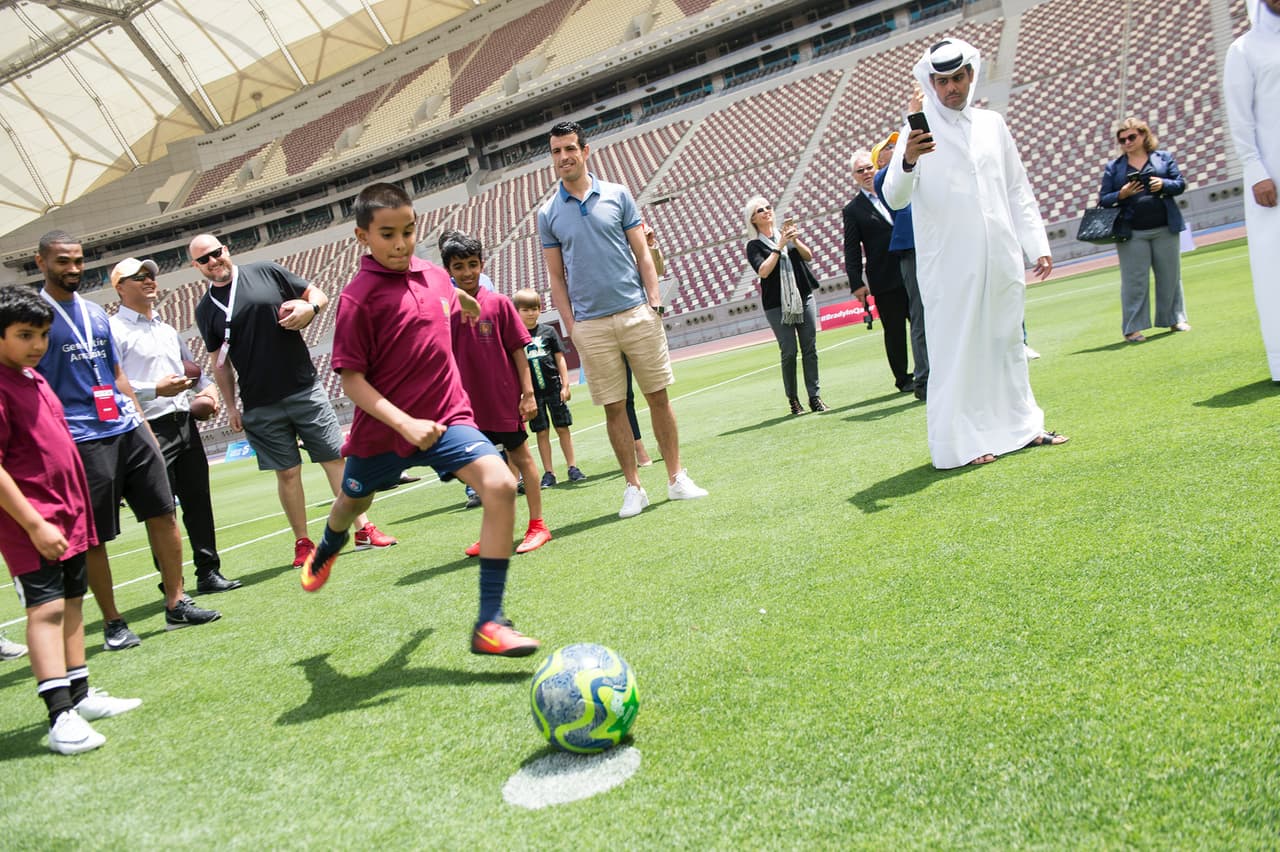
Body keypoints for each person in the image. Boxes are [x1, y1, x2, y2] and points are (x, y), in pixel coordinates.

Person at [299, 183, 540, 657]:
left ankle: (489, 622)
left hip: (450, 417)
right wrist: (404, 424)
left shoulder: (433, 275)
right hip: (384, 433)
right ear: (361, 236)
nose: (401, 242)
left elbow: (453, 299)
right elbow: (352, 382)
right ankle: (327, 546)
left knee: (498, 484)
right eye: (387, 234)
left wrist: (467, 303)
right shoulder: (357, 299)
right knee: (352, 502)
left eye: (408, 231)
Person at [882, 38, 1067, 469]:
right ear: (931, 83)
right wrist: (907, 159)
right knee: (957, 351)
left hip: (1000, 256)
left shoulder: (992, 124)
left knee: (1006, 343)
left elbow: (1017, 187)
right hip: (949, 264)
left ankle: (1023, 428)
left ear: (971, 75)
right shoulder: (916, 130)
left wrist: (1035, 243)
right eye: (942, 81)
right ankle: (959, 444)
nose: (952, 88)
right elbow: (895, 197)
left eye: (958, 78)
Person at [35, 232, 220, 649]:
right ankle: (114, 622)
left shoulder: (95, 315)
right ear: (41, 261)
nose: (73, 269)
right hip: (79, 435)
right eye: (63, 261)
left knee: (164, 512)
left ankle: (176, 603)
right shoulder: (36, 315)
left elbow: (117, 376)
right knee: (96, 535)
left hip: (126, 425)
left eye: (79, 261)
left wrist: (140, 422)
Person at [189, 233, 396, 568]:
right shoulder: (205, 310)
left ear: (226, 249)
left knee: (334, 461)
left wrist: (309, 308)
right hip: (259, 402)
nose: (213, 262)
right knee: (287, 474)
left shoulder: (265, 271)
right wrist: (230, 406)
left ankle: (363, 528)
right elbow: (219, 362)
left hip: (304, 387)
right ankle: (302, 542)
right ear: (195, 266)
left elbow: (318, 294)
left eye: (215, 253)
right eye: (204, 259)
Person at [539, 120, 708, 518]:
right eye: (556, 152)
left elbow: (642, 252)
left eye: (569, 149)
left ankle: (676, 477)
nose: (563, 157)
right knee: (614, 408)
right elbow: (555, 277)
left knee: (658, 398)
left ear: (585, 151)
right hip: (591, 326)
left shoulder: (618, 195)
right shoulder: (548, 214)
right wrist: (571, 327)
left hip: (636, 312)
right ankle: (633, 487)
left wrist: (654, 302)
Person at [0, 285, 142, 754]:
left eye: (42, 334)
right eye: (25, 335)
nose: (38, 345)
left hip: (70, 515)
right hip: (32, 523)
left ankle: (80, 695)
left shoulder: (35, 378)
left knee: (74, 601)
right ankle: (59, 713)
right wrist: (35, 523)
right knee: (47, 610)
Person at [108, 258, 242, 595]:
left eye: (151, 275)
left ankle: (209, 571)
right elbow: (111, 384)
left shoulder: (166, 329)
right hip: (147, 428)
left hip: (183, 423)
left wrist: (208, 391)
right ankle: (174, 585)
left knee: (198, 502)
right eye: (139, 277)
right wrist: (155, 389)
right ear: (120, 287)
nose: (149, 280)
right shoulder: (113, 330)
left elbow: (194, 372)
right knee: (160, 511)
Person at [443, 233, 552, 556]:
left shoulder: (500, 304)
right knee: (482, 469)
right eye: (459, 266)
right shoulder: (444, 309)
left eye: (473, 265)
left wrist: (528, 393)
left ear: (482, 265)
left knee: (521, 457)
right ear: (448, 269)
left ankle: (537, 526)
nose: (467, 273)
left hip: (503, 399)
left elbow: (519, 351)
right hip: (466, 408)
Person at [1097, 117, 1191, 343]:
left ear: (1143, 135)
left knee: (1170, 277)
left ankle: (1174, 319)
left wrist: (1163, 184)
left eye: (1131, 137)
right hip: (1132, 233)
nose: (1127, 142)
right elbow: (1104, 199)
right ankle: (1132, 328)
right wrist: (1122, 194)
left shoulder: (1163, 158)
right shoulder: (1114, 168)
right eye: (1122, 140)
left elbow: (1180, 184)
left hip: (1165, 226)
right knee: (1134, 281)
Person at [1224, 0, 1280, 379]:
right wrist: (1255, 169)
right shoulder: (1244, 48)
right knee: (1274, 265)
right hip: (1271, 174)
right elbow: (1240, 117)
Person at [745, 198, 828, 415]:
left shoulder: (787, 235)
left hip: (803, 295)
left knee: (810, 348)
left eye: (768, 208)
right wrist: (779, 247)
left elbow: (808, 257)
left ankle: (815, 396)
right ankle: (793, 399)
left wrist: (795, 241)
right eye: (759, 210)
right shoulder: (754, 245)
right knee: (789, 350)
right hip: (776, 303)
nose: (766, 212)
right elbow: (763, 271)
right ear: (752, 219)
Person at [843, 150, 913, 393]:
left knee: (923, 323)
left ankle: (931, 367)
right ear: (854, 176)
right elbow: (851, 249)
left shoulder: (895, 190)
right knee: (894, 330)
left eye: (868, 167)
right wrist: (856, 283)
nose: (866, 173)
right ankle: (903, 378)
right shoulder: (852, 210)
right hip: (884, 277)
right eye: (860, 170)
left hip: (914, 268)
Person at [873, 127, 930, 401]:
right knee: (920, 314)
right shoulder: (884, 178)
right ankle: (925, 378)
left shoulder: (917, 169)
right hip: (912, 250)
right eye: (888, 147)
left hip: (933, 243)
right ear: (880, 161)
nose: (895, 147)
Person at [514, 287, 585, 487]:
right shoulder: (515, 337)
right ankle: (549, 472)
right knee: (542, 432)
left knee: (562, 428)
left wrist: (565, 385)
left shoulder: (548, 332)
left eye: (535, 308)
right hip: (533, 395)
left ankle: (572, 467)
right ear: (517, 312)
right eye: (526, 310)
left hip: (554, 389)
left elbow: (560, 359)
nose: (531, 313)